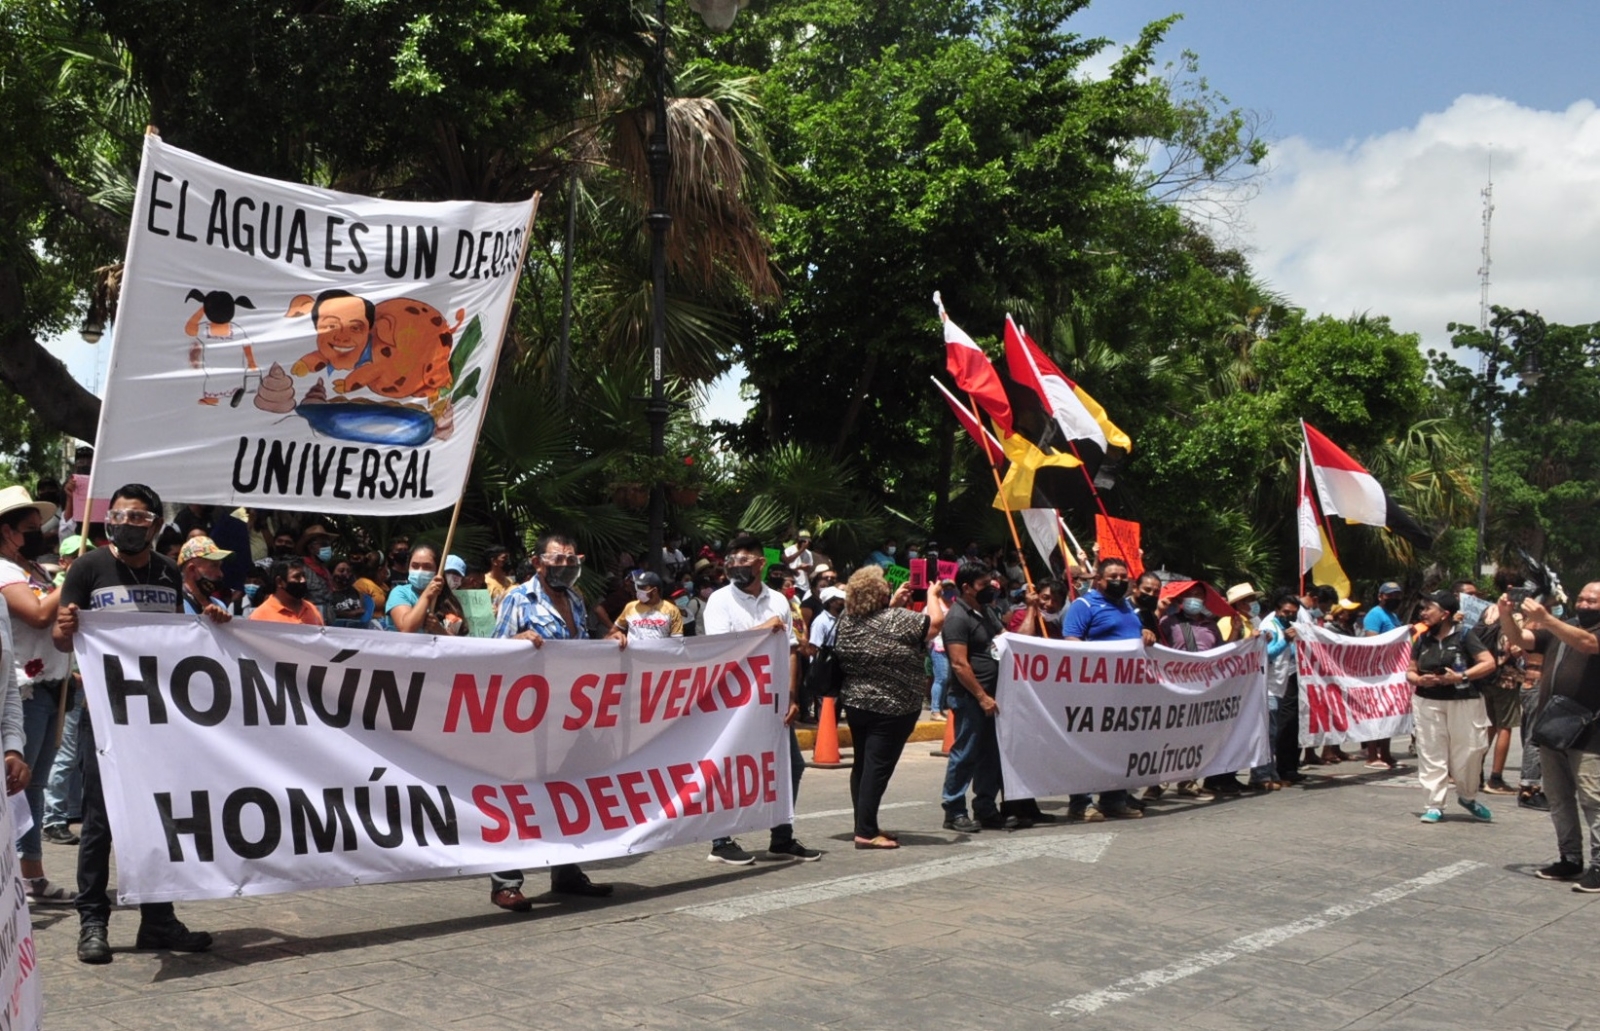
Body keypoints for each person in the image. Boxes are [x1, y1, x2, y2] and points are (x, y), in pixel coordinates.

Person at [53, 483, 216, 964]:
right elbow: (65, 644)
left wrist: (213, 620)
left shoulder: (169, 573)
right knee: (100, 820)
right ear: (109, 520)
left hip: (158, 719)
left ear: (156, 525)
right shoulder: (88, 568)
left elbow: (181, 637)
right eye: (120, 515)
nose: (128, 524)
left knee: (159, 817)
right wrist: (64, 632)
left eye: (140, 517)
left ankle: (158, 918)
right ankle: (93, 921)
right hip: (104, 715)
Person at [487, 534, 617, 906]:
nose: (566, 565)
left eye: (571, 558)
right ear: (538, 562)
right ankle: (505, 882)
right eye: (557, 558)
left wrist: (609, 640)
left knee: (568, 791)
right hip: (530, 716)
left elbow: (581, 649)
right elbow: (494, 651)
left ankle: (567, 871)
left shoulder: (575, 599)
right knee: (521, 793)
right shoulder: (518, 597)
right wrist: (518, 640)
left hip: (571, 714)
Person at [700, 535, 820, 864]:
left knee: (790, 765)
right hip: (734, 701)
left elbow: (792, 651)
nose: (736, 566)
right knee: (728, 767)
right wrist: (763, 629)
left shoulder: (779, 601)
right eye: (731, 561)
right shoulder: (720, 601)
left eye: (743, 560)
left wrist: (793, 696)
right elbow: (722, 650)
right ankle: (720, 841)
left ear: (760, 563)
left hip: (773, 699)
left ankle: (781, 837)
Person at [1497, 584, 1600, 889]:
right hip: (1554, 725)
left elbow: (1586, 644)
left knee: (1593, 799)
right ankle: (1570, 859)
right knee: (1558, 797)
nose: (1584, 603)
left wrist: (1547, 618)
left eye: (1592, 600)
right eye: (1581, 598)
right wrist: (1506, 615)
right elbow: (1521, 640)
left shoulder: (1575, 630)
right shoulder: (1562, 627)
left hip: (1592, 730)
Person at [834, 566, 946, 848]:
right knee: (877, 769)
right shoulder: (897, 620)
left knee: (863, 765)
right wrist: (933, 594)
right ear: (879, 593)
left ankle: (864, 823)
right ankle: (866, 833)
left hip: (857, 703)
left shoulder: (847, 619)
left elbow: (878, 625)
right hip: (892, 707)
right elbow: (935, 624)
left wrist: (893, 604)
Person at [0, 486, 73, 905]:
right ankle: (17, 872)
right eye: (30, 529)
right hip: (22, 693)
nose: (39, 534)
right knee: (19, 783)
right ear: (7, 531)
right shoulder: (5, 572)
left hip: (51, 687)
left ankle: (32, 874)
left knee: (37, 784)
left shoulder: (37, 572)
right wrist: (74, 575)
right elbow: (38, 613)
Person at [1061, 558, 1145, 820]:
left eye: (1123, 575)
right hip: (1095, 690)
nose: (1120, 580)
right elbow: (1072, 641)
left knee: (1118, 747)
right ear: (1098, 580)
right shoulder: (1083, 605)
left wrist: (1147, 636)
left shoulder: (1128, 607)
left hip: (1126, 690)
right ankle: (1080, 803)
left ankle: (1113, 799)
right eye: (1113, 576)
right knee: (1088, 747)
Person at [1407, 591, 1495, 824]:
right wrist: (1418, 680)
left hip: (1465, 701)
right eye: (1422, 608)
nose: (1423, 613)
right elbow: (1410, 670)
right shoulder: (1422, 639)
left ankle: (1467, 797)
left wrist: (1461, 676)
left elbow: (1488, 663)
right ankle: (1434, 805)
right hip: (1427, 701)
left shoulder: (1465, 636)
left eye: (1428, 608)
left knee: (1470, 752)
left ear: (1445, 614)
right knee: (1431, 752)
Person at [1252, 591, 1302, 791]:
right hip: (1268, 688)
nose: (1289, 615)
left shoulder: (1285, 628)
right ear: (1277, 610)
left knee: (1272, 733)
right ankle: (1260, 775)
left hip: (1279, 687)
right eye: (1286, 611)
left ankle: (1271, 772)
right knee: (1267, 734)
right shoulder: (1269, 627)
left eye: (1293, 612)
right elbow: (1266, 655)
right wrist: (1285, 642)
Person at [1360, 581, 1406, 770]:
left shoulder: (1393, 616)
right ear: (1380, 596)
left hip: (1391, 672)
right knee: (1375, 714)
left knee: (1389, 714)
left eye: (1396, 595)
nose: (1393, 598)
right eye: (1389, 595)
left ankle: (1386, 754)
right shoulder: (1374, 614)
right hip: (1376, 671)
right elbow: (1372, 640)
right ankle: (1372, 755)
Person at [609, 571, 684, 642]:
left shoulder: (672, 610)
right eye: (638, 586)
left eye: (642, 587)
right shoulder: (630, 607)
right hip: (634, 655)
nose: (638, 590)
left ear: (654, 591)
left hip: (660, 655)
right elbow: (612, 633)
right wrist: (615, 636)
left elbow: (677, 642)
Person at [249, 559, 325, 625]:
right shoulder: (260, 616)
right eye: (297, 577)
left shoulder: (312, 609)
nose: (303, 580)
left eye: (304, 576)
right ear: (279, 582)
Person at [178, 536, 234, 617]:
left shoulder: (220, 606)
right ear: (192, 570)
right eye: (214, 566)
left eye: (219, 567)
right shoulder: (178, 606)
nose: (220, 574)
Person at [296, 522, 338, 608]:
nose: (327, 548)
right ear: (311, 548)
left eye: (328, 544)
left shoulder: (325, 570)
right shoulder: (301, 569)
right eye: (323, 544)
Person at [783, 530, 815, 597]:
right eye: (802, 541)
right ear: (797, 539)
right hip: (794, 584)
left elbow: (810, 569)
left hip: (805, 585)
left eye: (806, 541)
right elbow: (787, 561)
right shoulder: (789, 550)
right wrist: (801, 550)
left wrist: (806, 568)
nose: (804, 543)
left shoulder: (808, 553)